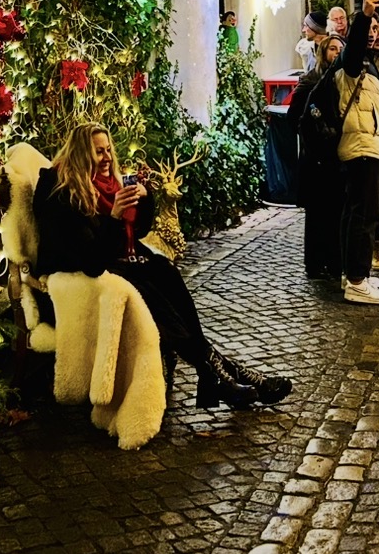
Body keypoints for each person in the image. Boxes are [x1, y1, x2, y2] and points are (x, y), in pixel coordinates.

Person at [34, 123, 292, 409]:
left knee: (165, 270)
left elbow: (137, 232)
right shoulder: (63, 194)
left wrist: (145, 200)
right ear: (82, 154)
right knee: (151, 294)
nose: (107, 158)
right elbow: (91, 260)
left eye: (108, 150)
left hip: (113, 263)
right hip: (77, 280)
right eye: (99, 152)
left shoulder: (105, 185)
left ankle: (216, 373)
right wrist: (115, 216)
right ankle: (222, 374)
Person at [334, 0, 379, 305]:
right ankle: (357, 282)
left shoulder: (368, 63)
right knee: (365, 215)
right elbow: (355, 45)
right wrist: (365, 14)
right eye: (369, 29)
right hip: (362, 144)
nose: (373, 35)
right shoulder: (353, 61)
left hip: (366, 144)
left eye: (377, 30)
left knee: (355, 212)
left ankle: (354, 273)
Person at [288, 34, 344, 282]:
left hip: (337, 157)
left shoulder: (343, 81)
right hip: (316, 159)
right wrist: (313, 138)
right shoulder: (311, 81)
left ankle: (334, 262)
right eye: (332, 48)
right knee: (317, 214)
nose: (336, 52)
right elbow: (294, 118)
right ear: (323, 52)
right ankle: (315, 263)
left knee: (336, 211)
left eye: (340, 49)